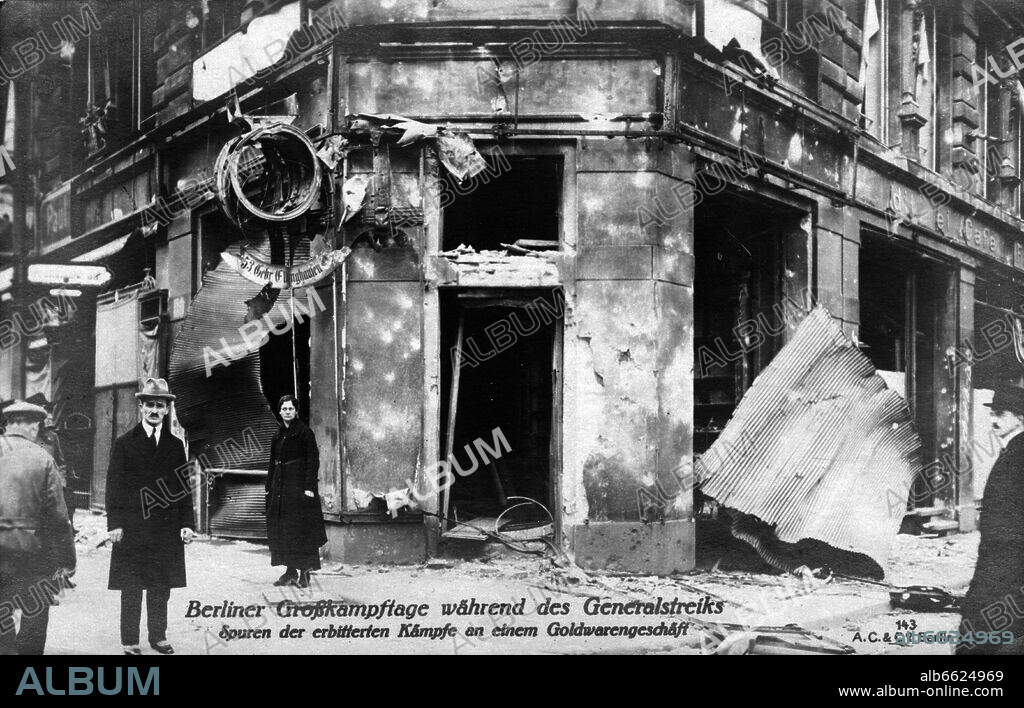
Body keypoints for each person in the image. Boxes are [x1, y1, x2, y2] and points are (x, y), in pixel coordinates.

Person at [106, 378, 196, 655]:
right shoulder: (124, 443)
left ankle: (158, 637)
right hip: (132, 528)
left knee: (160, 586)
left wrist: (187, 524)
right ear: (141, 408)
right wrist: (115, 524)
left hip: (165, 529)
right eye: (149, 405)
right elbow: (114, 486)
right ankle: (130, 641)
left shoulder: (175, 444)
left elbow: (183, 487)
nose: (154, 410)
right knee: (131, 587)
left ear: (167, 410)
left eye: (160, 405)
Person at [0, 400, 76, 655]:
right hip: (34, 553)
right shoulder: (43, 458)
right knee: (34, 614)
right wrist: (67, 560)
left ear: (8, 424)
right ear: (33, 426)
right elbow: (57, 517)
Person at [957, 384, 1024, 655]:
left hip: (1008, 553)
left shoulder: (1019, 453)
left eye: (1002, 413)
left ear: (1020, 417)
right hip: (1001, 551)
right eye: (992, 413)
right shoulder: (1012, 449)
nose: (994, 420)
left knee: (985, 616)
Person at [266, 395, 326, 588]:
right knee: (284, 531)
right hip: (281, 490)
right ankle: (290, 571)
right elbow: (272, 463)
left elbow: (313, 460)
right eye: (284, 409)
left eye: (291, 408)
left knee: (302, 531)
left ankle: (305, 573)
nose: (287, 412)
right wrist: (269, 487)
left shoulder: (305, 433)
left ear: (296, 411)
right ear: (280, 411)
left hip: (299, 489)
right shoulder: (278, 434)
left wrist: (309, 488)